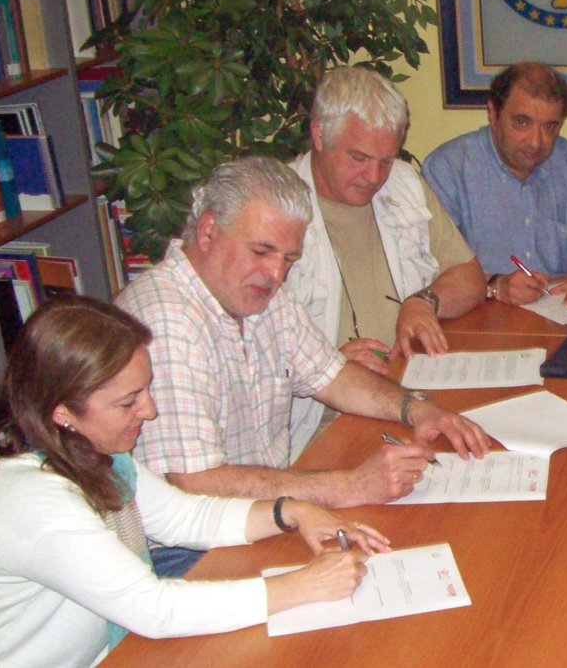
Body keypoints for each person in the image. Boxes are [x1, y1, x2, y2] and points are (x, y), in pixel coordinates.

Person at [116, 157, 489, 576]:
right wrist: (353, 485)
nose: (276, 273)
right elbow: (196, 483)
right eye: (261, 251)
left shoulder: (255, 292)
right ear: (207, 231)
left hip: (264, 517)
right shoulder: (165, 322)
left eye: (289, 259)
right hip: (187, 552)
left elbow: (334, 375)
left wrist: (418, 408)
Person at [0, 297, 388, 668]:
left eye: (147, 389)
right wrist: (304, 585)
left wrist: (291, 511)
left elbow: (182, 516)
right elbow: (153, 608)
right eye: (128, 401)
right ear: (62, 411)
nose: (150, 410)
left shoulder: (87, 452)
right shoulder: (33, 500)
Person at [286, 66, 486, 457]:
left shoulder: (404, 183)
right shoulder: (274, 208)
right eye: (359, 158)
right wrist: (324, 367)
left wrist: (424, 301)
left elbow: (469, 277)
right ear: (318, 134)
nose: (374, 176)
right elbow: (243, 355)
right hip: (323, 422)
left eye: (386, 160)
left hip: (413, 392)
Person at [422, 62, 567, 307]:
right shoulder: (448, 168)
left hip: (556, 315)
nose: (536, 141)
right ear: (493, 114)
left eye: (549, 127)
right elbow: (429, 266)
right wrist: (495, 286)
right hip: (477, 313)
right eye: (522, 122)